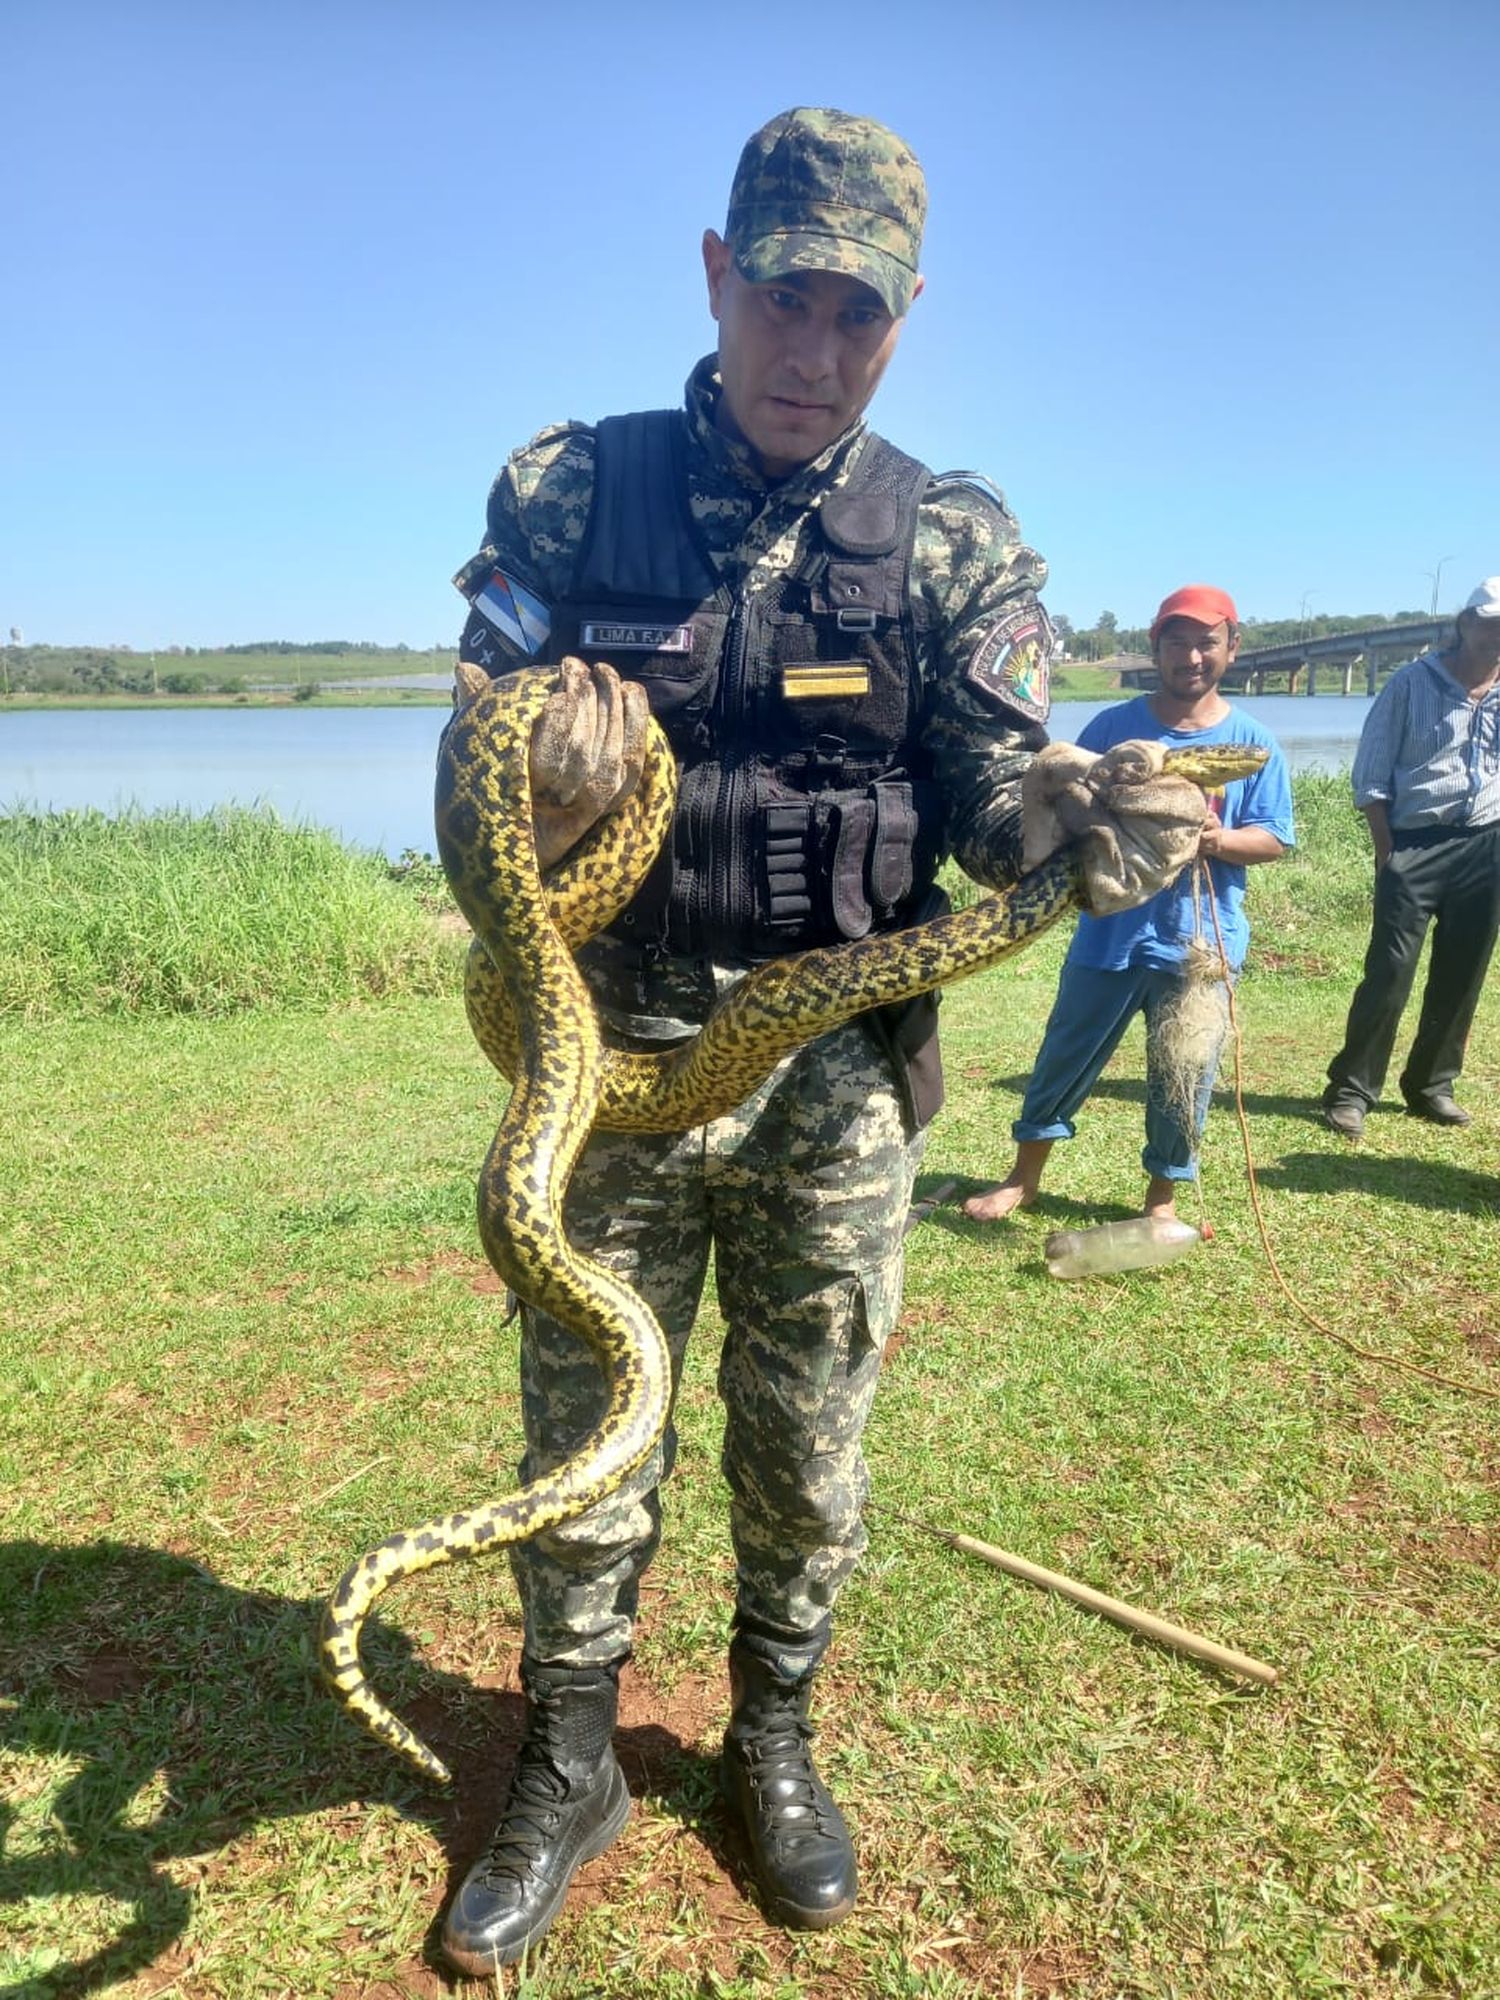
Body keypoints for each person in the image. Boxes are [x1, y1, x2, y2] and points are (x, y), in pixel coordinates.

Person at [437, 108, 1201, 1975]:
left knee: (810, 1443)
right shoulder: (563, 489)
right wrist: (529, 806)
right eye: (786, 296)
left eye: (860, 313)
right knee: (591, 1422)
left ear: (904, 316)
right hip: (602, 1061)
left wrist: (1088, 816)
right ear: (718, 276)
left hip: (836, 1085)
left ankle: (769, 1737)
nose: (817, 347)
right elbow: (461, 784)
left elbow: (1001, 791)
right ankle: (570, 1752)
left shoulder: (956, 537)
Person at [963, 584, 1293, 1226]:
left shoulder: (1252, 741)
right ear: (1156, 647)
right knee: (1065, 1053)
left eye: (1206, 643)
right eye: (1178, 642)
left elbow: (1274, 837)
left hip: (1199, 941)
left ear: (1232, 647)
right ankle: (1022, 1178)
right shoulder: (1114, 727)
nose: (1191, 657)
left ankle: (1161, 1200)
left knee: (1184, 1076)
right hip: (1109, 934)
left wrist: (1214, 838)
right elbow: (1066, 807)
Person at [1322, 577, 1500, 1139]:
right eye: (1490, 623)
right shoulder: (1410, 683)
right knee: (1390, 972)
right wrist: (1387, 854)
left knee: (1463, 972)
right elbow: (1371, 775)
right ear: (1465, 623)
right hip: (1413, 844)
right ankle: (1351, 1090)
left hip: (1485, 843)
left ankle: (1431, 1085)